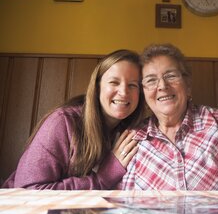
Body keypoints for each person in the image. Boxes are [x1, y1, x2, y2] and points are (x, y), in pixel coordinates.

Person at [117, 43, 218, 190]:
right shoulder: (134, 137)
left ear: (188, 86)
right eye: (151, 81)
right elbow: (123, 199)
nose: (162, 86)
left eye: (171, 76)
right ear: (143, 94)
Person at [2, 49, 145, 190]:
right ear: (97, 87)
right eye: (114, 82)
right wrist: (103, 179)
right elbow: (28, 189)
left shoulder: (132, 132)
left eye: (133, 85)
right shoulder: (62, 122)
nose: (124, 92)